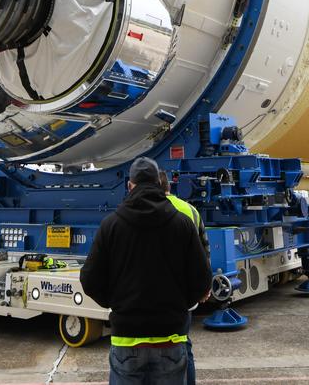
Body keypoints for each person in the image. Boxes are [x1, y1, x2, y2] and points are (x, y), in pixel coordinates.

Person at [81, 157, 211, 385]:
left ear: (130, 185)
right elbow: (202, 281)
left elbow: (90, 280)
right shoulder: (182, 223)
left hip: (126, 338)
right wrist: (181, 304)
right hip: (171, 337)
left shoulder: (110, 225)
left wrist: (116, 304)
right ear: (159, 185)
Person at [160, 170, 208, 385]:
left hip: (152, 293)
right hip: (183, 292)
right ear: (169, 186)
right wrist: (202, 288)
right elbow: (203, 251)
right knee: (183, 345)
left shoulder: (145, 211)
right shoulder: (190, 210)